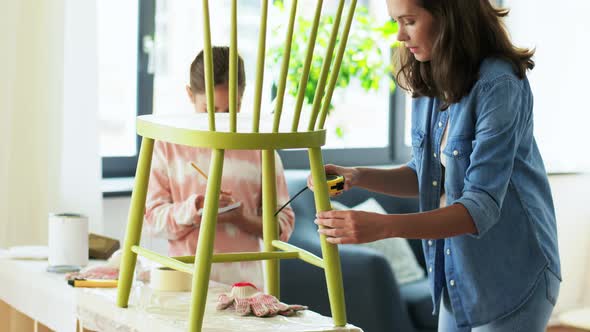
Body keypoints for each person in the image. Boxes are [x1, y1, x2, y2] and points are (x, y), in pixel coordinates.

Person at [311, 1, 561, 331]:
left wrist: (383, 226)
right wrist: (357, 177)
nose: (400, 35)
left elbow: (480, 206)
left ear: (449, 15)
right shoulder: (429, 76)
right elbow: (427, 176)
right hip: (459, 277)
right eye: (396, 22)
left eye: (409, 21)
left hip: (513, 277)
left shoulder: (499, 84)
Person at [145, 46, 295, 289]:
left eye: (231, 110)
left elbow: (284, 225)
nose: (222, 121)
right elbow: (152, 221)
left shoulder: (259, 149)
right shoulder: (168, 146)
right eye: (210, 110)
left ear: (242, 98)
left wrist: (241, 218)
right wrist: (196, 208)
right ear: (190, 95)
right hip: (185, 283)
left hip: (245, 288)